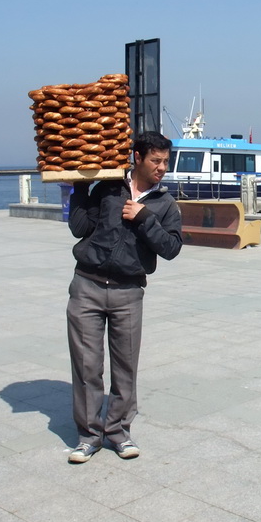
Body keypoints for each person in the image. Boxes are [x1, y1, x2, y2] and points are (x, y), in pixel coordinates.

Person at [64, 131, 183, 463]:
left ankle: (118, 431)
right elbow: (78, 227)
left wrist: (144, 219)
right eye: (156, 160)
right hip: (86, 286)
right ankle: (88, 436)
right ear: (138, 158)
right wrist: (78, 189)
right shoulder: (107, 189)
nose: (162, 168)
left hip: (129, 292)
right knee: (87, 366)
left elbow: (172, 248)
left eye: (165, 162)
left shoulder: (164, 203)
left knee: (125, 367)